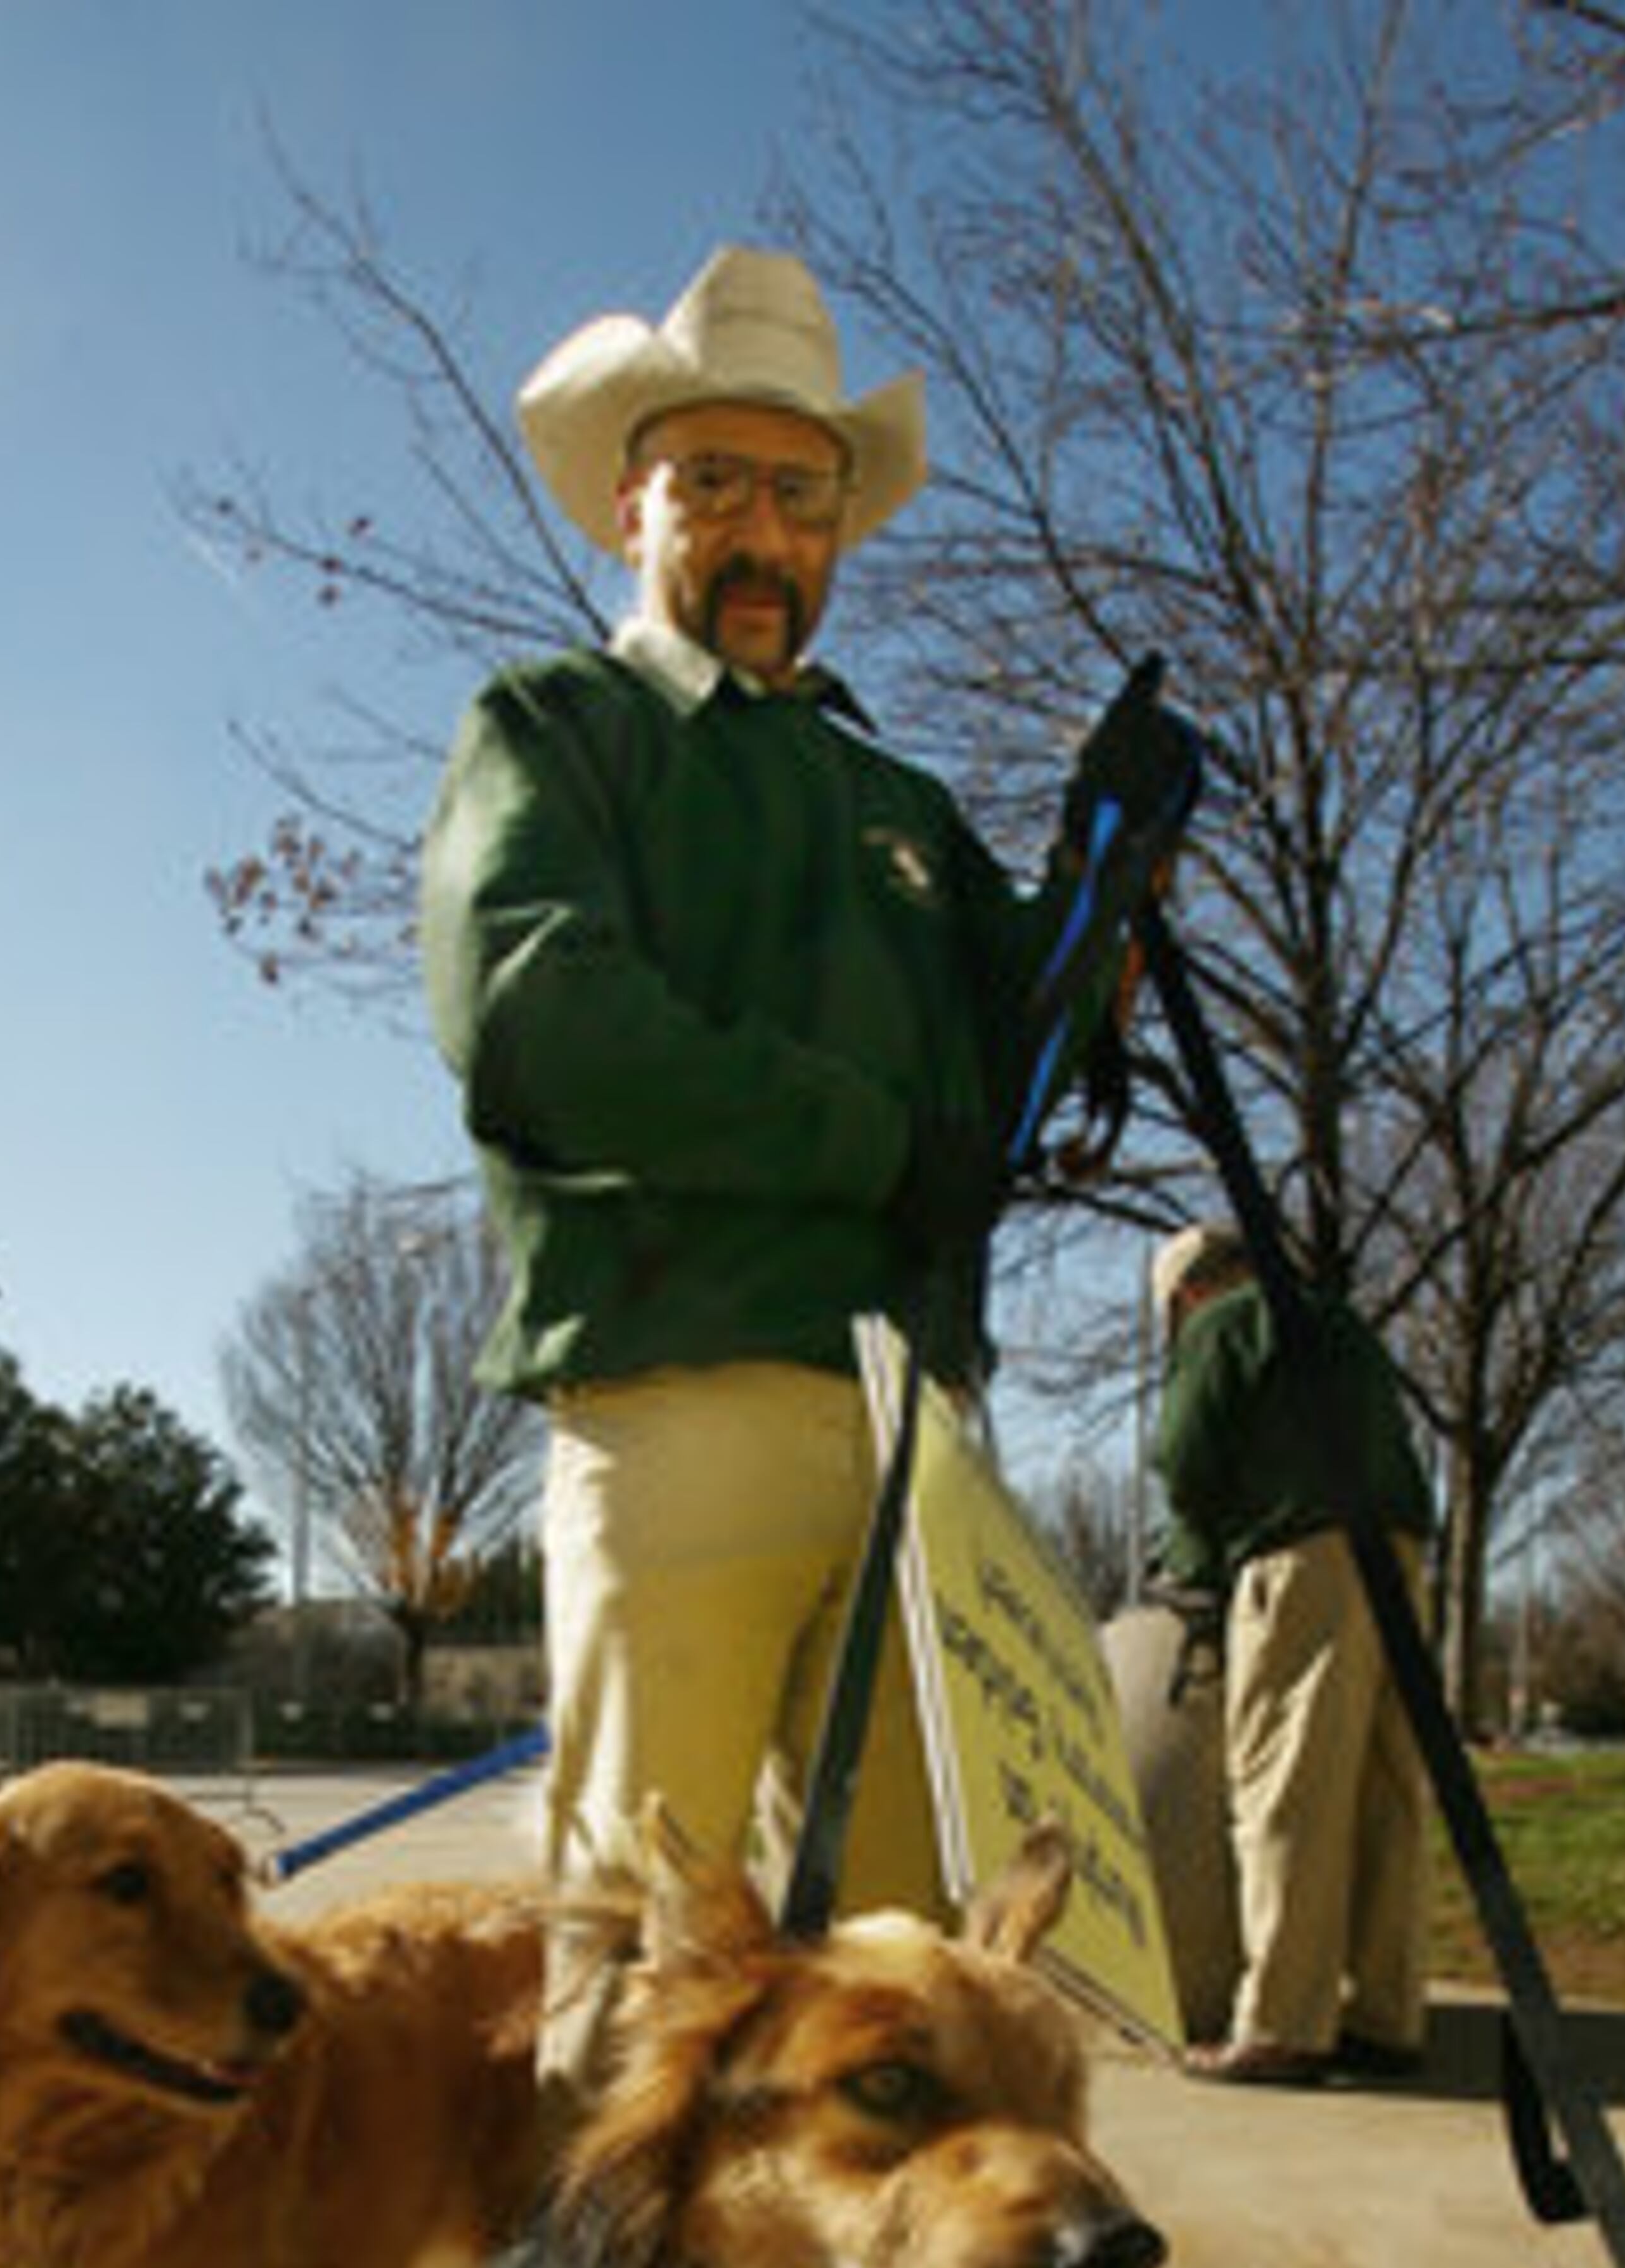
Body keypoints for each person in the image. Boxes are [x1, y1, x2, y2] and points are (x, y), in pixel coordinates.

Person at [419, 242, 1187, 2089]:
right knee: (646, 1956)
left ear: (843, 525)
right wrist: (871, 1142)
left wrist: (1105, 905)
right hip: (681, 1395)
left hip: (923, 1430)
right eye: (716, 486)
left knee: (918, 1975)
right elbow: (539, 1017)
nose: (761, 533)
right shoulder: (558, 732)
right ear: (635, 503)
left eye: (800, 493)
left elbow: (1013, 1072)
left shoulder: (899, 805)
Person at [1148, 1219, 1435, 2085]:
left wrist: (1190, 1573)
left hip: (1302, 1557)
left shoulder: (1223, 1323)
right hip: (1400, 1551)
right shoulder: (1338, 1322)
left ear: (1187, 1290)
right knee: (1388, 1790)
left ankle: (1280, 2025)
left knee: (1287, 1789)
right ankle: (1385, 2018)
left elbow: (1185, 1459)